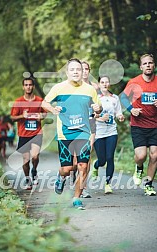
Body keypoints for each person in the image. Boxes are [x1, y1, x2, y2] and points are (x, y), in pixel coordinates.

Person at [42, 58, 101, 209]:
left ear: (83, 72)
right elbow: (44, 103)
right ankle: (61, 177)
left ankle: (76, 198)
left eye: (78, 69)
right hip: (65, 133)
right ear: (67, 72)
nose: (76, 72)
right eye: (72, 70)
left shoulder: (90, 89)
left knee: (83, 166)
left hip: (83, 132)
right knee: (67, 169)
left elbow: (98, 107)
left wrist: (97, 109)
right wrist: (53, 109)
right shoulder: (59, 88)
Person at [121, 54, 157, 196]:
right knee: (141, 156)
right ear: (141, 67)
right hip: (138, 125)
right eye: (145, 63)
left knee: (155, 156)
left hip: (155, 124)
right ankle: (139, 167)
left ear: (154, 65)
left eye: (151, 63)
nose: (148, 65)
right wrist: (131, 109)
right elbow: (123, 98)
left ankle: (148, 184)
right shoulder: (134, 82)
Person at [11, 77, 47, 190]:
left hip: (36, 133)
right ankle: (28, 178)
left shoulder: (39, 100)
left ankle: (34, 170)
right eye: (26, 85)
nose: (28, 87)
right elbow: (12, 118)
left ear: (33, 86)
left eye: (30, 85)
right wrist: (23, 116)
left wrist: (41, 116)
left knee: (35, 156)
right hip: (23, 134)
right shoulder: (18, 102)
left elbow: (45, 113)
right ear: (23, 87)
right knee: (25, 160)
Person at [91, 76, 125, 193]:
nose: (105, 84)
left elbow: (118, 112)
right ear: (99, 84)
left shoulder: (114, 98)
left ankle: (107, 184)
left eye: (107, 82)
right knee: (102, 160)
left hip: (111, 132)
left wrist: (120, 116)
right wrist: (100, 118)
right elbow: (90, 116)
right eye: (102, 82)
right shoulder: (95, 98)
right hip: (98, 133)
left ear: (109, 84)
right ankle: (96, 166)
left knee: (110, 157)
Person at [73, 61, 99, 198]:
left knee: (86, 157)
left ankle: (83, 187)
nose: (84, 72)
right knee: (76, 160)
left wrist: (98, 112)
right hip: (77, 124)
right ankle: (75, 177)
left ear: (89, 71)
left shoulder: (94, 87)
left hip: (91, 124)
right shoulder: (74, 87)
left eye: (86, 69)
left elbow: (98, 106)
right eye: (81, 69)